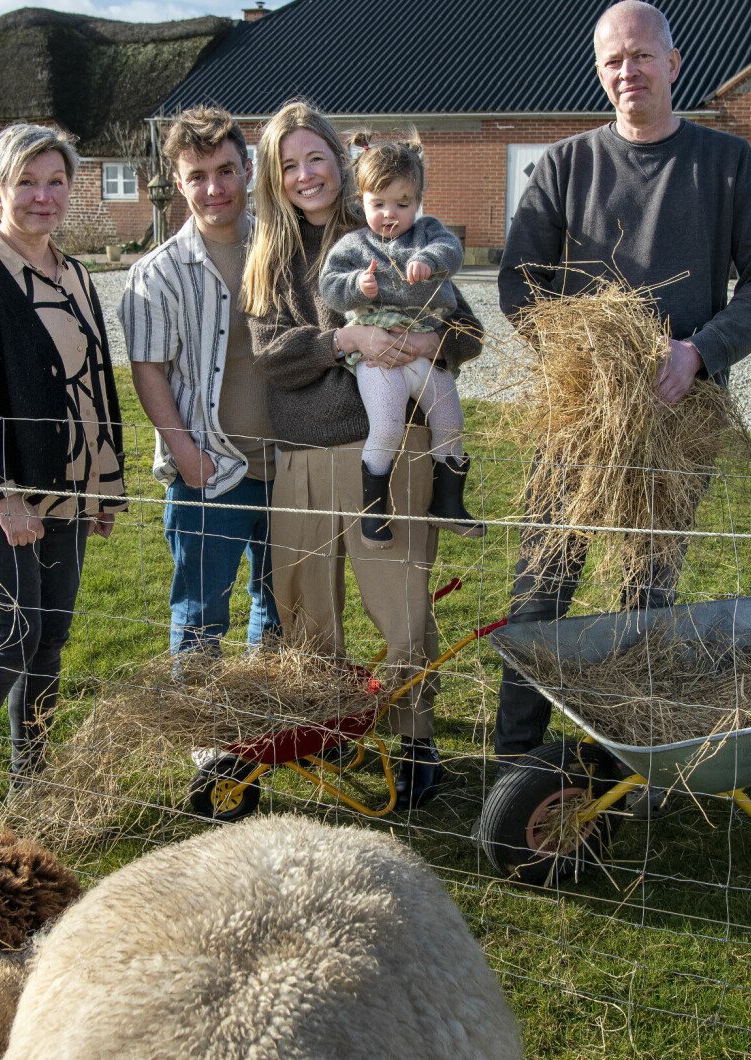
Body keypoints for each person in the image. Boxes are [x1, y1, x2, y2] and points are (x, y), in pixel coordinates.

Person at [495, 0, 751, 766]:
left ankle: (629, 760)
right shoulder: (566, 165)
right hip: (579, 422)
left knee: (646, 594)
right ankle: (517, 758)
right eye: (614, 60)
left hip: (676, 420)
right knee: (542, 585)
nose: (629, 71)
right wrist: (583, 365)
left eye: (642, 55)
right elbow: (520, 282)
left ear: (673, 62)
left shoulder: (727, 164)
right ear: (600, 72)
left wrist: (700, 353)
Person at [243, 101, 483, 809]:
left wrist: (427, 341)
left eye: (315, 157)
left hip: (390, 452)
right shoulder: (270, 255)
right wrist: (345, 340)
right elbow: (271, 356)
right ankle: (329, 724)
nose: (305, 175)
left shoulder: (388, 225)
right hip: (302, 455)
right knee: (307, 607)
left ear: (339, 163)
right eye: (289, 165)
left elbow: (467, 330)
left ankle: (415, 737)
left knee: (400, 604)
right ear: (274, 177)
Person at [0, 123, 127, 827]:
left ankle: (31, 778)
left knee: (50, 637)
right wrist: (2, 495)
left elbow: (95, 383)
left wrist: (104, 485)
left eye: (56, 182)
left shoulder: (75, 274)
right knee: (11, 635)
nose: (44, 196)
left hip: (66, 487)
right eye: (27, 183)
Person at [120, 106, 280, 655]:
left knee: (279, 609)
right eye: (198, 176)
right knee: (200, 616)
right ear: (177, 182)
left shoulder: (280, 250)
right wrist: (185, 454)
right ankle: (198, 708)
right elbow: (148, 370)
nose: (215, 188)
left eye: (226, 171)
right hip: (210, 471)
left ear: (247, 170)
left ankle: (267, 706)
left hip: (288, 466)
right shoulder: (156, 273)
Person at [319, 133, 484, 548]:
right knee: (388, 425)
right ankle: (373, 512)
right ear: (361, 200)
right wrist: (358, 285)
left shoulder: (428, 233)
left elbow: (451, 249)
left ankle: (448, 503)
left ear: (419, 201)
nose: (390, 214)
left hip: (426, 345)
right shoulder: (355, 245)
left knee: (451, 421)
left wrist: (427, 260)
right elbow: (330, 285)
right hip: (379, 354)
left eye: (403, 204)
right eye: (378, 204)